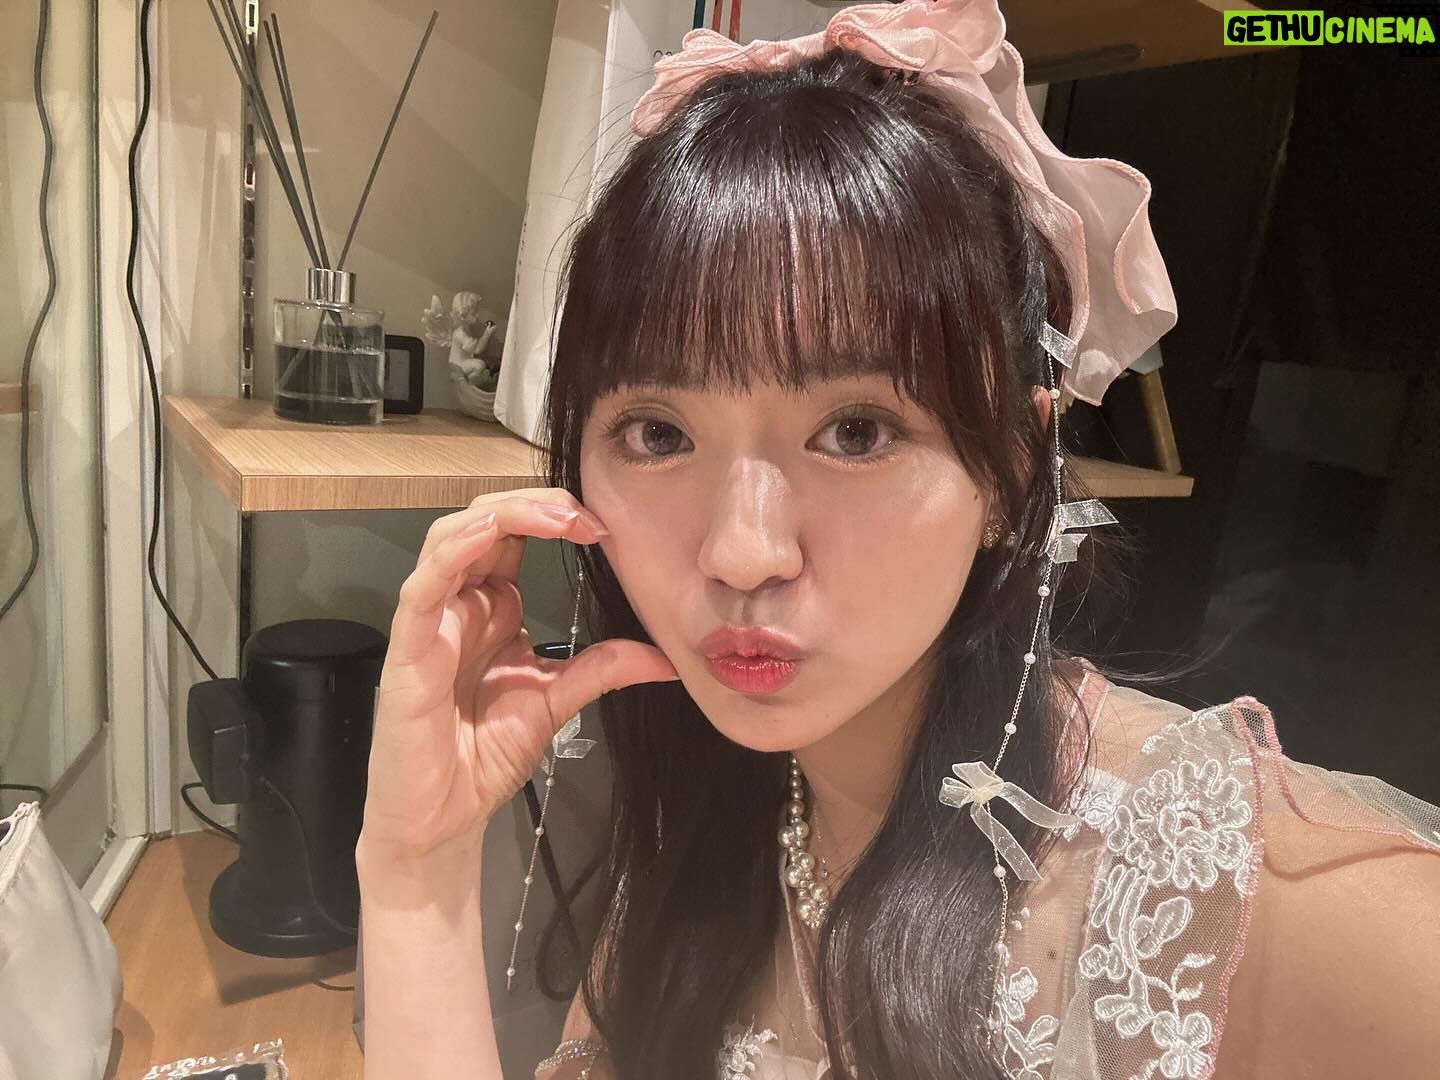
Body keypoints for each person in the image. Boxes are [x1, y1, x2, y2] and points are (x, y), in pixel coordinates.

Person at [353, 3, 1440, 1078]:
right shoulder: (718, 813)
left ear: (1015, 467)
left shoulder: (1224, 883)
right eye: (658, 434)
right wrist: (414, 872)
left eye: (857, 432)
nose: (742, 553)